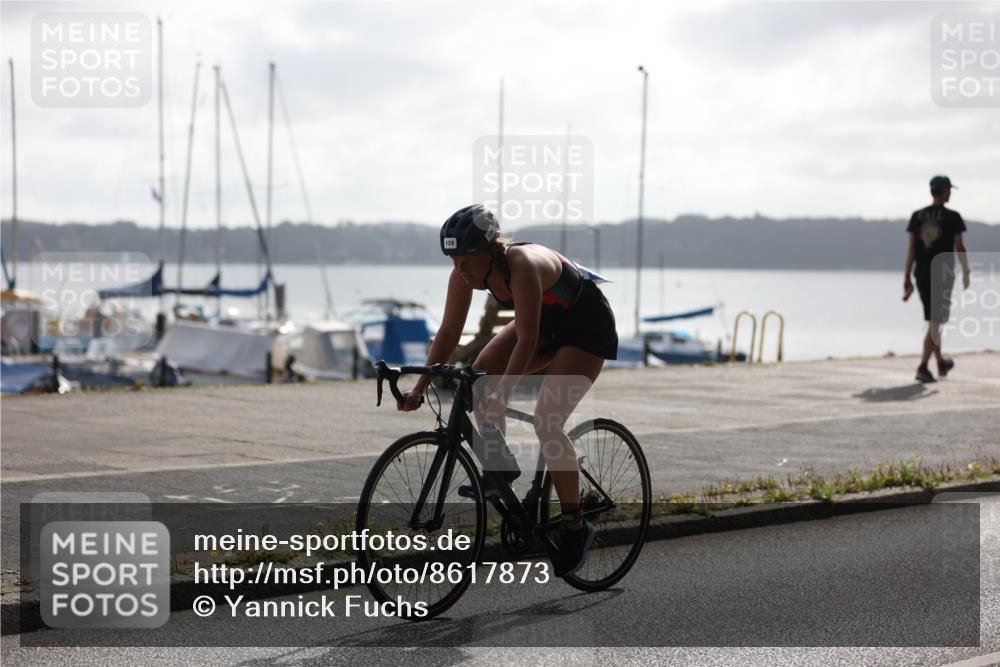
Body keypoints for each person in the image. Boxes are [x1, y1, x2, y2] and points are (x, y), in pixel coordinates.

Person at [397, 203, 619, 578]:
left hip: (585, 328)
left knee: (547, 422)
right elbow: (449, 333)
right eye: (453, 262)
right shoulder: (465, 274)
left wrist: (503, 394)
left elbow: (528, 340)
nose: (460, 271)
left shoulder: (522, 264)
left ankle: (574, 526)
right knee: (478, 376)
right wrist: (419, 386)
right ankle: (501, 467)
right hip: (547, 325)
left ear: (489, 251)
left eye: (466, 261)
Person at [903, 175, 971, 383]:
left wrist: (906, 277)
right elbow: (959, 246)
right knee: (935, 321)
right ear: (943, 191)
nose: (950, 193)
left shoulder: (917, 216)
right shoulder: (953, 217)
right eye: (949, 190)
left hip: (921, 273)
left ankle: (940, 362)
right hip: (942, 274)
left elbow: (912, 249)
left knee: (934, 320)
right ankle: (923, 366)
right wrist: (966, 270)